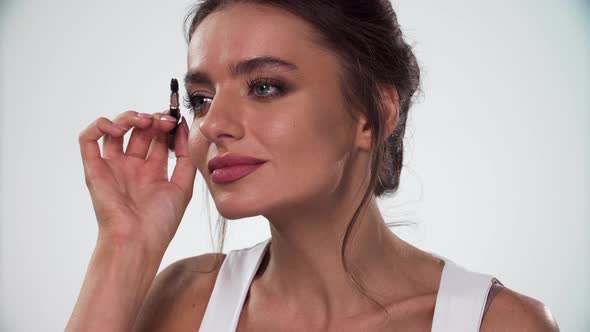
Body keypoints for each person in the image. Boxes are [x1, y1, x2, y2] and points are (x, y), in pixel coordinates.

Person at [66, 1, 560, 331]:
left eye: (264, 86)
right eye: (200, 99)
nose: (214, 123)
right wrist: (125, 244)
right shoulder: (182, 302)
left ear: (373, 114)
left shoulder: (498, 323)